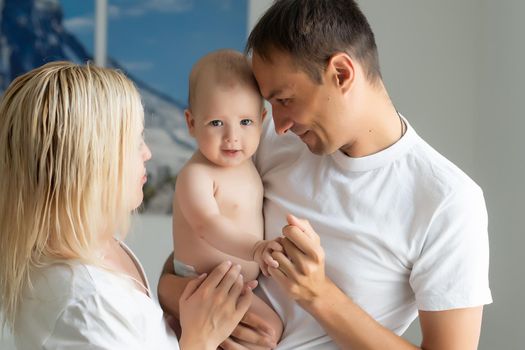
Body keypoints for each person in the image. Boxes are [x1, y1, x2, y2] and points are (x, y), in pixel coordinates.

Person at [159, 1, 492, 349]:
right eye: (269, 106)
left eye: (285, 100)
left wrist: (319, 295)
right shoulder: (269, 139)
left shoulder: (448, 202)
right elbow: (192, 246)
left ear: (342, 74)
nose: (280, 123)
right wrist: (177, 294)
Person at [0, 61, 255, 350]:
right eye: (134, 143)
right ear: (91, 161)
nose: (147, 153)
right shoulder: (85, 304)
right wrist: (200, 340)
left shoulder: (100, 246)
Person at [171, 49, 283, 349]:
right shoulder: (196, 175)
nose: (233, 137)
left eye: (245, 122)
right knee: (269, 329)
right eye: (217, 123)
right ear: (191, 123)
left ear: (262, 120)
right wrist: (256, 248)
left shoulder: (249, 163)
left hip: (232, 285)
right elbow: (208, 224)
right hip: (203, 284)